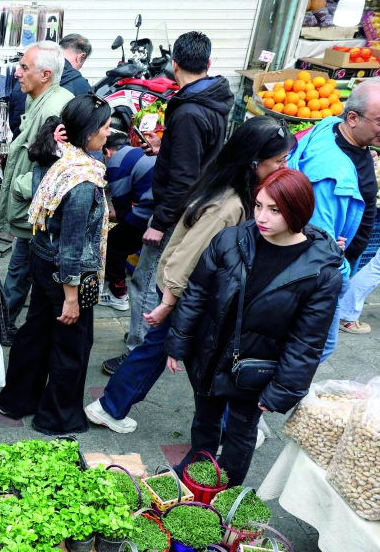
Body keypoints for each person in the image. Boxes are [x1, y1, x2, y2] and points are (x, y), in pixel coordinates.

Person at [86, 116, 295, 433]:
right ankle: (229, 425)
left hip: (188, 291)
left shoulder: (230, 186)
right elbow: (188, 255)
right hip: (186, 292)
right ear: (254, 162)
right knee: (195, 357)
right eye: (279, 160)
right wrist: (168, 303)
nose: (283, 166)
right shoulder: (229, 205)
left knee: (169, 352)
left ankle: (112, 406)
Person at [164, 169, 342, 486]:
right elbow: (197, 293)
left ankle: (225, 492)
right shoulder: (232, 239)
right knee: (204, 419)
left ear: (297, 210)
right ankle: (196, 474)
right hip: (210, 352)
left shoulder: (320, 271)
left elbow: (307, 341)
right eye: (258, 205)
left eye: (275, 209)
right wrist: (178, 344)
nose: (262, 216)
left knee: (241, 432)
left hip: (256, 369)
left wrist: (281, 391)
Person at [102, 31, 233, 374]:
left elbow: (185, 178)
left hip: (178, 211)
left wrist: (160, 223)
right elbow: (201, 157)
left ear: (174, 65)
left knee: (147, 281)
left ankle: (137, 354)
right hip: (193, 202)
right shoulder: (214, 100)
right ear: (208, 64)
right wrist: (165, 150)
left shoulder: (189, 111)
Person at [0, 95, 111, 435]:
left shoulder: (61, 160)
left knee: (36, 332)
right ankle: (56, 417)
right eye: (104, 126)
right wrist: (72, 296)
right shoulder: (83, 181)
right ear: (88, 133)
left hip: (42, 260)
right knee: (72, 346)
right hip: (65, 274)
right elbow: (73, 246)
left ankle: (16, 401)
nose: (109, 132)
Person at [290, 79, 380, 356]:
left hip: (338, 261)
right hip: (327, 273)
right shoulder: (332, 176)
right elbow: (320, 247)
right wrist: (341, 278)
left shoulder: (332, 125)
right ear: (352, 118)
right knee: (318, 348)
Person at [0, 41, 74, 342]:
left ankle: (4, 324)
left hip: (39, 212)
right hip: (34, 209)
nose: (16, 73)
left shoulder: (53, 110)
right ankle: (3, 322)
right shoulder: (38, 99)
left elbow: (57, 169)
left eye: (24, 67)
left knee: (22, 269)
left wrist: (20, 187)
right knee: (20, 268)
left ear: (45, 74)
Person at [99, 131, 156, 311]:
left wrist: (109, 216)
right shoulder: (135, 152)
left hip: (151, 209)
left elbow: (122, 209)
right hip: (159, 206)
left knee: (113, 242)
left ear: (107, 152)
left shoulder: (116, 162)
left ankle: (119, 294)